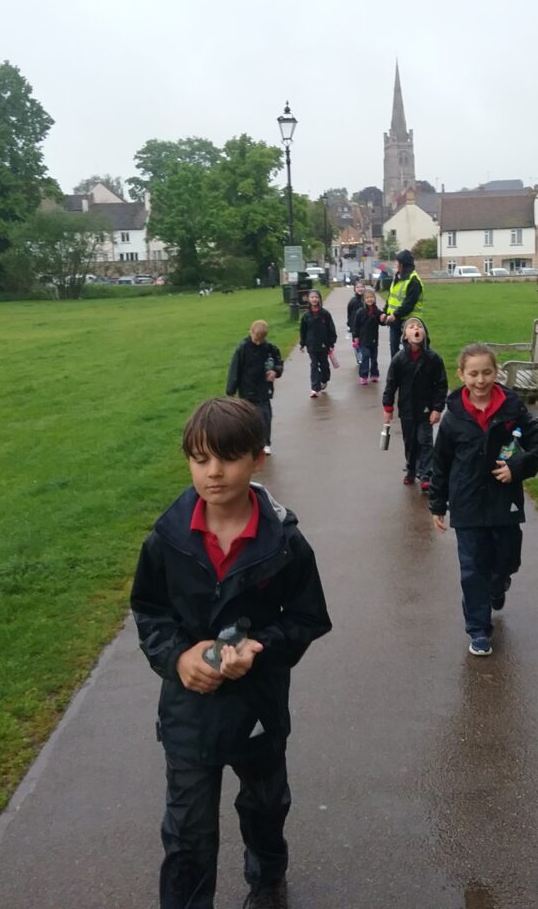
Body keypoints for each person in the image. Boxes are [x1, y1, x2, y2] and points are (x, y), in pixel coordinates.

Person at [130, 398, 331, 909]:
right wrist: (178, 658)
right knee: (187, 833)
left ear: (257, 458)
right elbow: (150, 612)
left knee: (265, 807)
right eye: (199, 459)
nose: (213, 472)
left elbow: (308, 618)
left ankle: (267, 881)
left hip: (258, 706)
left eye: (227, 458)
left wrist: (260, 649)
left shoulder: (286, 542)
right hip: (189, 712)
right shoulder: (166, 540)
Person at [429, 343, 538, 657]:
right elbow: (440, 463)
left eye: (486, 372)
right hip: (466, 503)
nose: (480, 380)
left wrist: (517, 467)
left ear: (496, 373)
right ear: (461, 375)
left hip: (503, 502)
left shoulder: (513, 409)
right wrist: (438, 504)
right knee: (473, 569)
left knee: (507, 559)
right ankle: (478, 629)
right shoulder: (453, 417)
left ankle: (500, 584)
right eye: (473, 373)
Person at [382, 316, 447, 490]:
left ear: (424, 333)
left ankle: (426, 474)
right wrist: (388, 407)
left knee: (425, 440)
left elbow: (441, 384)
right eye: (411, 327)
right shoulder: (399, 359)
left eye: (419, 326)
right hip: (407, 409)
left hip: (426, 408)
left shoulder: (433, 359)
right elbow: (391, 383)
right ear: (405, 336)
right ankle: (411, 469)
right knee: (410, 441)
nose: (416, 329)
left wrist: (437, 408)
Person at [225, 319, 283, 455]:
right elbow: (235, 369)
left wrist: (275, 371)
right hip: (247, 389)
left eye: (260, 340)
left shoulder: (270, 349)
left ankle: (265, 443)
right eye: (255, 339)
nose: (257, 342)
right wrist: (231, 390)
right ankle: (249, 442)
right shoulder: (243, 348)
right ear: (250, 333)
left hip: (263, 389)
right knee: (247, 417)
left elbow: (278, 361)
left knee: (265, 416)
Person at [384, 249, 424, 357]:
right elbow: (391, 296)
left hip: (410, 322)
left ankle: (410, 371)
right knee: (393, 347)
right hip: (395, 321)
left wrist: (395, 314)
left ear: (401, 264)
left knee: (411, 348)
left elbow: (409, 303)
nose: (395, 264)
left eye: (396, 262)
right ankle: (396, 371)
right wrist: (385, 311)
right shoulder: (397, 277)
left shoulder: (413, 280)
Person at [299, 289, 337, 398]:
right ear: (309, 300)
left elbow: (331, 329)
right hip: (311, 345)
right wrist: (302, 343)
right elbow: (303, 331)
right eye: (312, 297)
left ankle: (324, 379)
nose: (314, 299)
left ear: (319, 299)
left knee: (324, 365)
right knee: (314, 365)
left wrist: (331, 342)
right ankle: (314, 388)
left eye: (316, 297)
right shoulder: (306, 316)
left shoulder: (325, 314)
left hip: (324, 345)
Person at [351, 286, 386, 385]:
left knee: (374, 358)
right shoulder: (360, 312)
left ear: (374, 299)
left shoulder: (377, 311)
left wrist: (383, 318)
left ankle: (374, 374)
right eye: (367, 298)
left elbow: (381, 322)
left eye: (371, 297)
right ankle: (363, 375)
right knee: (365, 356)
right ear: (364, 300)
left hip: (374, 339)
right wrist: (355, 337)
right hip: (363, 339)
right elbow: (356, 326)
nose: (369, 299)